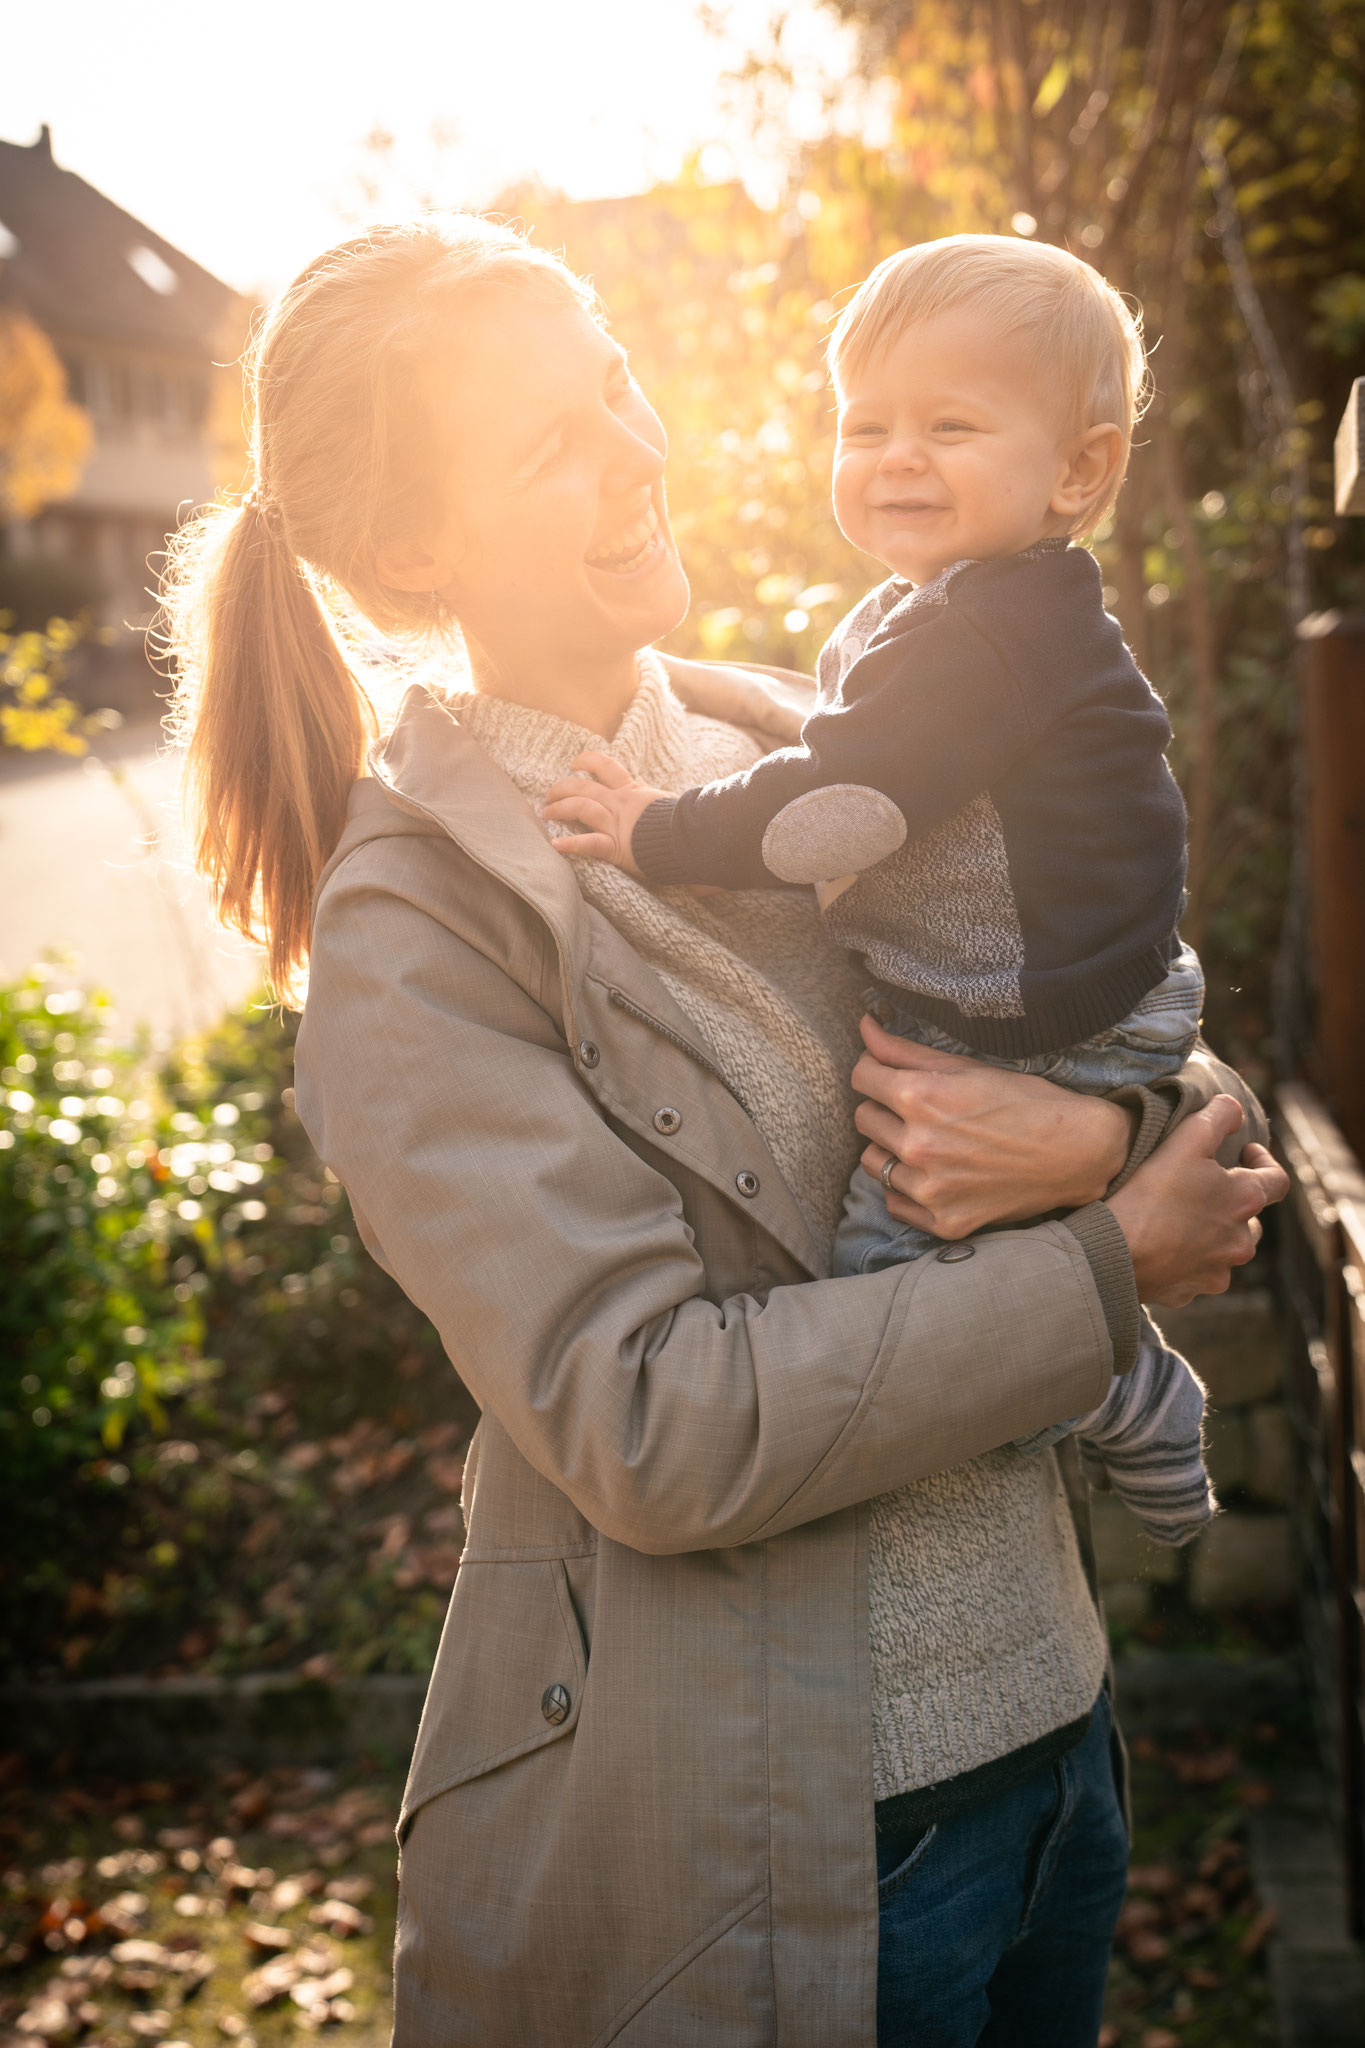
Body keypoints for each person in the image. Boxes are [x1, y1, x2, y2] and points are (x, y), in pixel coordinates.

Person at [162, 214, 1284, 2048]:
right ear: (408, 549)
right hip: (805, 1855)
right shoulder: (418, 936)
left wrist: (1091, 1159)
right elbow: (648, 1424)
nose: (634, 446)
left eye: (616, 377)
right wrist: (1103, 1267)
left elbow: (1145, 1030)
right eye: (550, 439)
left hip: (1058, 1755)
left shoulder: (807, 737)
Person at [544, 234, 1213, 1549]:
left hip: (1024, 1018)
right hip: (1085, 998)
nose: (897, 457)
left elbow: (830, 805)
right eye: (867, 425)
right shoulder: (968, 609)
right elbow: (844, 731)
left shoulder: (982, 632)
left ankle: (1115, 1377)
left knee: (888, 1264)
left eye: (950, 425)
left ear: (1076, 470)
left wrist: (650, 828)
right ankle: (1104, 1346)